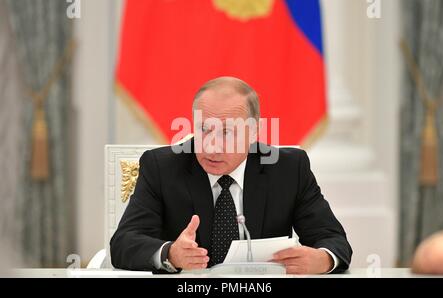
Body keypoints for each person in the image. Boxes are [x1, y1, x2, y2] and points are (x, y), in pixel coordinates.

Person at [110, 77, 352, 274]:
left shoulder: (288, 169)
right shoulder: (161, 168)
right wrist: (171, 253)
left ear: (254, 132)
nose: (213, 147)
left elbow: (333, 240)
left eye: (228, 133)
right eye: (204, 130)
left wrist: (322, 260)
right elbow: (123, 243)